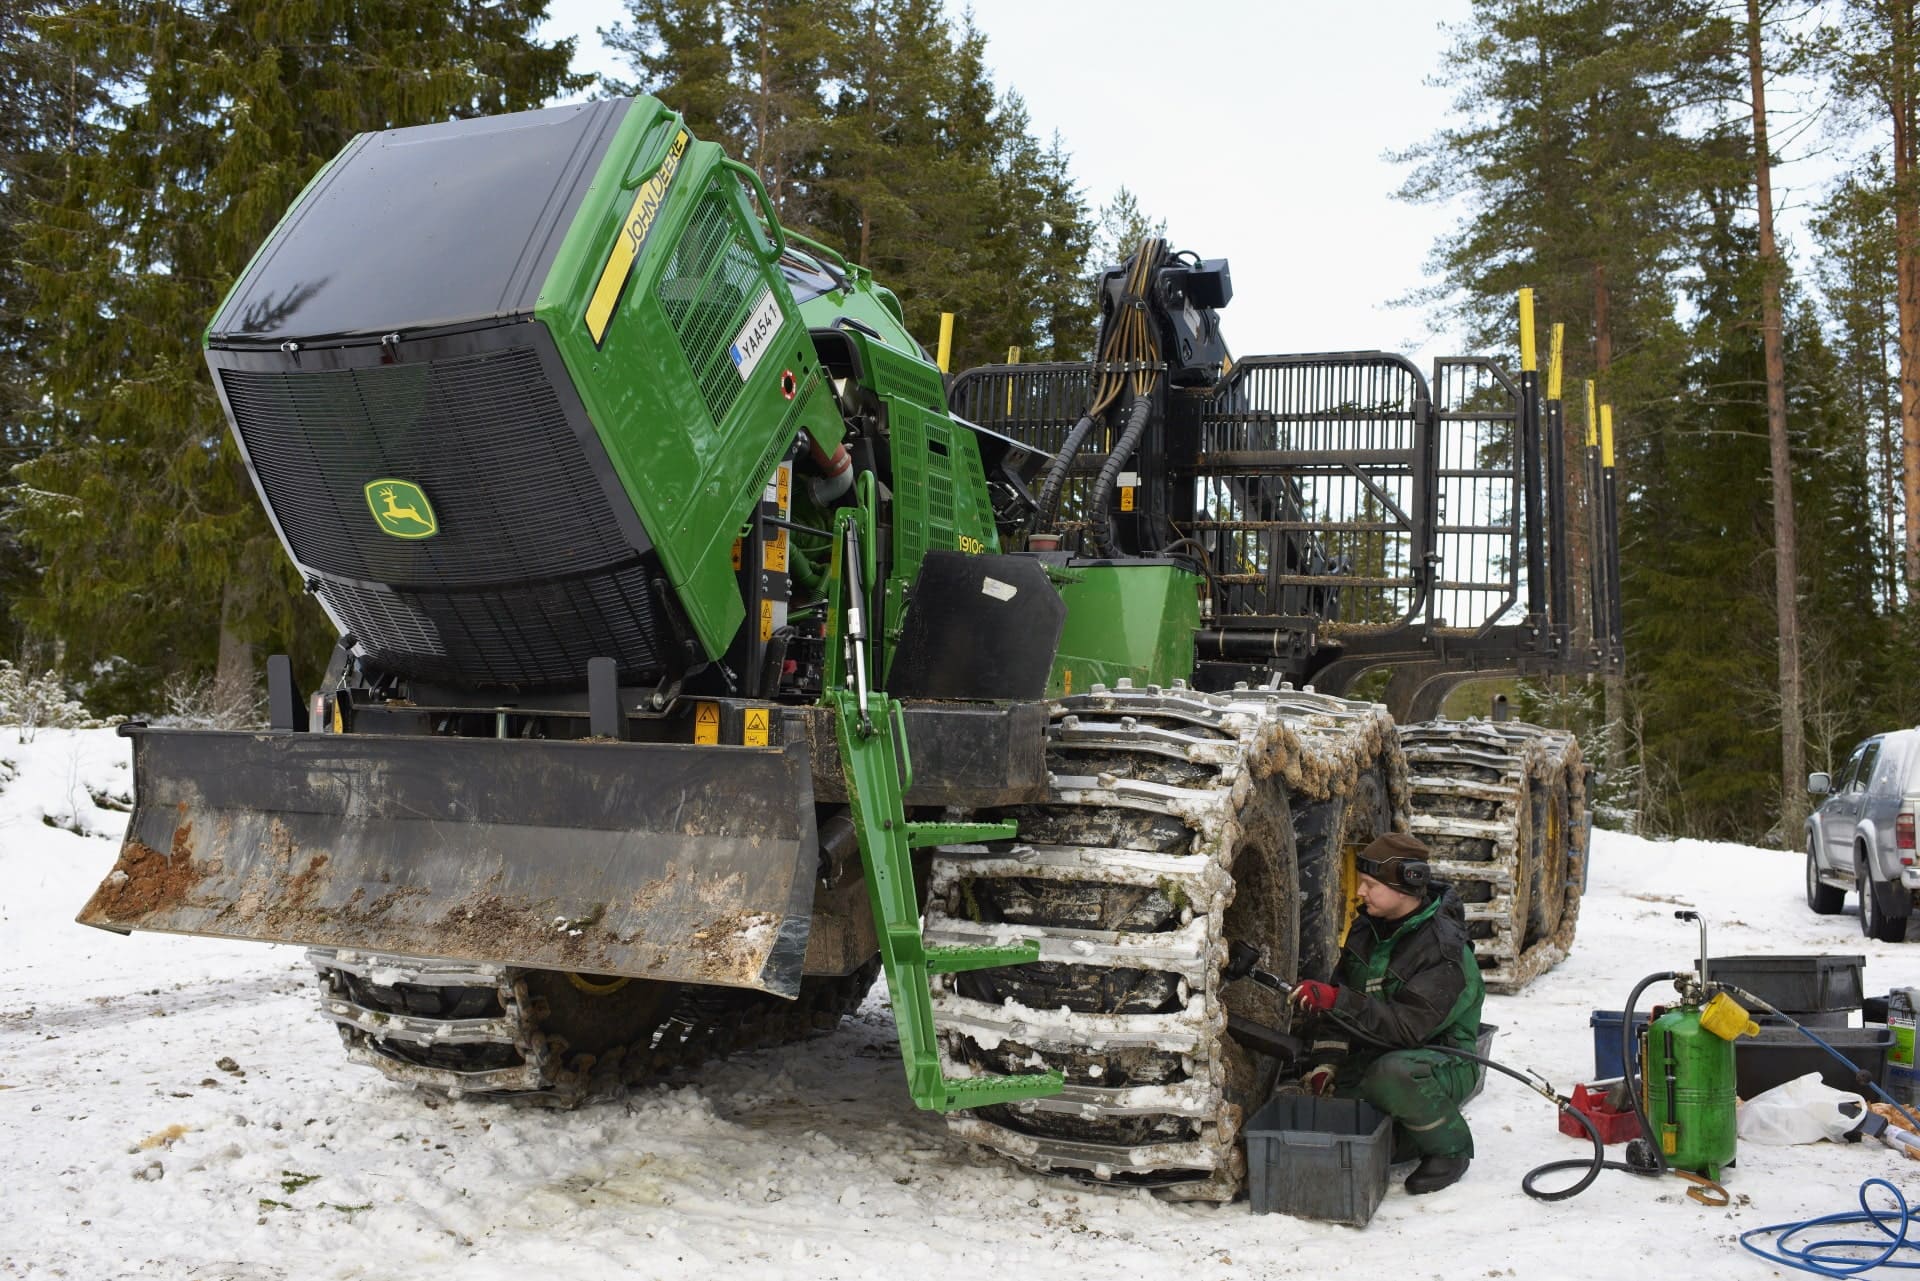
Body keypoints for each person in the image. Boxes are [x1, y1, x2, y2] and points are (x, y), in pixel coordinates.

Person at [1289, 831, 1485, 1195]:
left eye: (1369, 884)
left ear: (1406, 886)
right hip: (1381, 1047)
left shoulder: (1444, 952)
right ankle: (1403, 1136)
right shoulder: (1368, 928)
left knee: (1390, 1075)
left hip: (1439, 1059)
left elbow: (1406, 1027)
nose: (1359, 892)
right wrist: (1327, 1062)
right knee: (1338, 1111)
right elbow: (1346, 993)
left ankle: (1450, 1149)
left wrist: (1337, 1001)